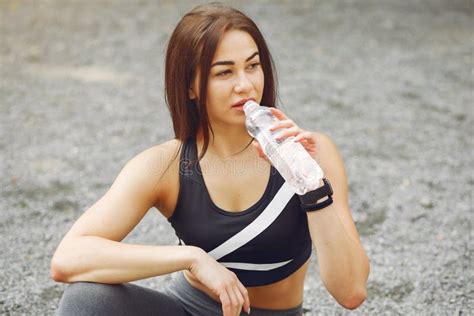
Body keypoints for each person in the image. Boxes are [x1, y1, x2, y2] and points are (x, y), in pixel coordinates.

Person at [51, 3, 370, 316]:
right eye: (224, 72)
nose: (245, 85)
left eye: (252, 65)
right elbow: (68, 258)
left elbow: (351, 292)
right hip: (188, 307)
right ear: (190, 86)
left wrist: (311, 186)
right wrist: (191, 258)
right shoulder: (165, 166)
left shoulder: (310, 150)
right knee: (87, 299)